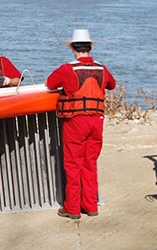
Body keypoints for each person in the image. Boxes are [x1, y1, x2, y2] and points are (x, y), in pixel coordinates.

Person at [45, 29, 116, 219]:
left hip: (75, 122)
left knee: (73, 165)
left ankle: (73, 208)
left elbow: (50, 84)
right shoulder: (102, 68)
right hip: (97, 121)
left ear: (73, 49)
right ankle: (91, 205)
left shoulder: (67, 69)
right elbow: (112, 84)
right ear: (90, 48)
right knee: (90, 163)